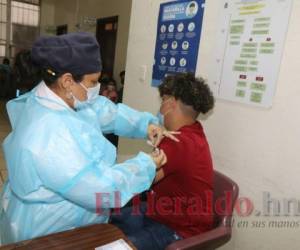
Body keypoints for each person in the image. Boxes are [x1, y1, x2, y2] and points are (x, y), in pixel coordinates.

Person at [0, 32, 180, 245]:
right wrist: (145, 165)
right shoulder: (50, 134)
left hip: (70, 220)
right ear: (67, 81)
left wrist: (145, 125)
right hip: (49, 229)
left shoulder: (57, 96)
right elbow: (101, 189)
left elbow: (104, 111)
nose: (97, 88)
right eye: (93, 82)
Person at [111, 73, 215, 250]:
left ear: (170, 103)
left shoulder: (177, 142)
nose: (160, 109)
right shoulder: (195, 131)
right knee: (114, 220)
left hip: (181, 229)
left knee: (115, 246)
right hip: (164, 212)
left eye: (162, 101)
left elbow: (137, 181)